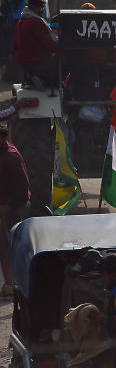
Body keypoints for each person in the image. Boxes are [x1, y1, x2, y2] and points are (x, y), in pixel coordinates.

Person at [0, 125, 29, 295]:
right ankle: (9, 284)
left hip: (14, 208)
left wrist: (7, 206)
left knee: (12, 247)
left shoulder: (10, 157)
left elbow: (23, 188)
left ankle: (16, 284)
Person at [14, 0, 61, 89]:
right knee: (65, 61)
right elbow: (50, 44)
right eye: (41, 7)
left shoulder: (22, 20)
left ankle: (33, 77)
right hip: (38, 62)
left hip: (24, 62)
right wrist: (63, 51)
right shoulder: (35, 22)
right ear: (33, 7)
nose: (42, 10)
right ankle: (45, 82)